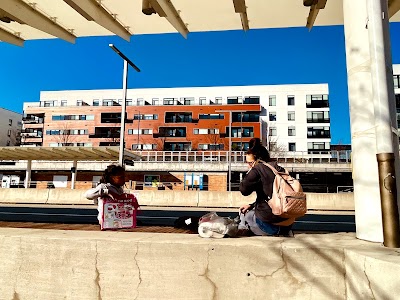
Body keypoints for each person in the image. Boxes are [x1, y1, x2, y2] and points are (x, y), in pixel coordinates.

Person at [238, 138, 294, 237]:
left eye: (250, 163)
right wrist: (252, 205)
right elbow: (273, 197)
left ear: (257, 160)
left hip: (268, 227)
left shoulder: (258, 169)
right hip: (287, 224)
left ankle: (243, 230)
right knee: (252, 209)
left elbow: (244, 190)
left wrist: (251, 171)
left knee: (245, 214)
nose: (248, 166)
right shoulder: (279, 169)